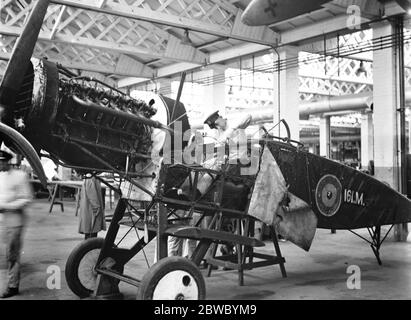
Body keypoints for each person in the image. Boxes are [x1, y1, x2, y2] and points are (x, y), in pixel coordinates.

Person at [0, 150, 33, 298]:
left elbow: (27, 198)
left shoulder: (20, 176)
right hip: (4, 222)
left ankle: (13, 286)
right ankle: (12, 282)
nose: (0, 165)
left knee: (12, 255)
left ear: (7, 161)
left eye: (1, 162)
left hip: (16, 222)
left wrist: (8, 206)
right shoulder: (1, 176)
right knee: (8, 254)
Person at [78, 174, 106, 239]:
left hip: (90, 208)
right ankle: (89, 248)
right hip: (91, 210)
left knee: (91, 232)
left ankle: (89, 247)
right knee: (91, 232)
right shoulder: (90, 177)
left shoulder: (91, 177)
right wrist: (96, 207)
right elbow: (92, 195)